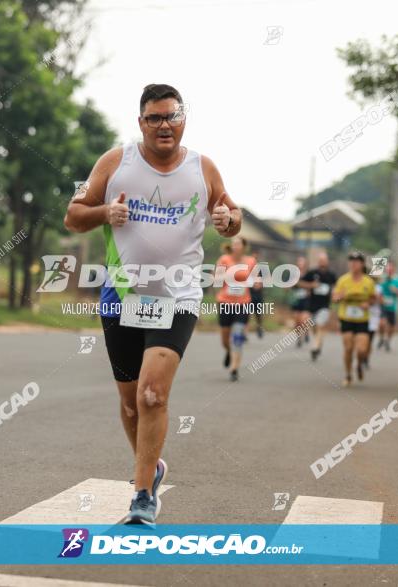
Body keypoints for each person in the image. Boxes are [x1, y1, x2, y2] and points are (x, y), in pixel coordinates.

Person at [63, 83, 242, 525]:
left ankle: (142, 495)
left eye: (172, 116)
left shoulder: (204, 168)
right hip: (121, 295)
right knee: (129, 404)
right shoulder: (114, 162)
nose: (165, 125)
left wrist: (227, 219)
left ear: (184, 120)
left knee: (151, 394)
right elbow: (72, 214)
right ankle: (152, 467)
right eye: (155, 118)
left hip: (177, 296)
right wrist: (105, 213)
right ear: (140, 122)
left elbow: (233, 218)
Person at [332, 251, 376, 386]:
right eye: (351, 261)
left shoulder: (368, 282)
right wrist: (340, 297)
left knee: (362, 350)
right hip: (346, 318)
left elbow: (373, 298)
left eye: (356, 261)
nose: (353, 264)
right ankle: (348, 374)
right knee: (348, 348)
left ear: (362, 264)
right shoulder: (343, 280)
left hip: (362, 319)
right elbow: (334, 298)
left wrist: (367, 304)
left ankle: (359, 364)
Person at [216, 237, 256, 382]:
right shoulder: (224, 259)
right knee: (225, 339)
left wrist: (257, 282)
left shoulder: (251, 261)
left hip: (243, 303)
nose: (235, 246)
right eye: (233, 244)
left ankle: (234, 368)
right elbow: (216, 278)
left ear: (244, 247)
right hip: (225, 302)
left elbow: (255, 279)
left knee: (238, 334)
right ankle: (228, 350)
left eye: (238, 244)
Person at [299, 252, 337, 361]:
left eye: (324, 260)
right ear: (318, 262)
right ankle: (318, 342)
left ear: (327, 262)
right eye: (321, 261)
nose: (322, 263)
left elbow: (336, 287)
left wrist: (334, 293)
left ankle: (315, 347)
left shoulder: (331, 275)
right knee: (312, 325)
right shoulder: (312, 273)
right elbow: (300, 283)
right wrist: (311, 285)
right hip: (312, 304)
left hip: (324, 305)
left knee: (320, 325)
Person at [377, 261, 398, 352]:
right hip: (383, 305)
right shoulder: (382, 278)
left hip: (392, 307)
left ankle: (388, 341)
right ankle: (381, 338)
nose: (389, 269)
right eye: (387, 268)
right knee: (382, 323)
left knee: (392, 327)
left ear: (394, 269)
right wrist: (380, 298)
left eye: (391, 268)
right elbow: (376, 290)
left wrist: (396, 290)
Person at [290, 256, 311, 348]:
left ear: (305, 264)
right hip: (296, 299)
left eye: (302, 263)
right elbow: (288, 286)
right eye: (299, 262)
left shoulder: (309, 274)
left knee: (304, 319)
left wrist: (304, 286)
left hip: (306, 299)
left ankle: (306, 332)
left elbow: (312, 286)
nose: (300, 264)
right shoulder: (293, 274)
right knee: (296, 320)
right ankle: (299, 337)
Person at [363, 281, 382, 370]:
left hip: (373, 317)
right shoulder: (361, 284)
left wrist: (377, 298)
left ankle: (366, 359)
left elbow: (382, 301)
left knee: (369, 340)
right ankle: (361, 356)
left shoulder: (378, 288)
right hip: (360, 316)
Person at [248, 249, 265, 339]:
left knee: (258, 314)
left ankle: (259, 327)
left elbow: (264, 282)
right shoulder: (246, 267)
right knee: (246, 314)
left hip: (258, 295)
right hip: (248, 294)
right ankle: (243, 333)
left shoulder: (261, 268)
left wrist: (258, 285)